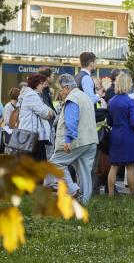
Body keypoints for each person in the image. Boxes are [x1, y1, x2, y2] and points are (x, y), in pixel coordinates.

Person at [48, 74, 98, 204]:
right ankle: (85, 203)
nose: (61, 92)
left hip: (77, 141)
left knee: (55, 164)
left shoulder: (72, 98)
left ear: (66, 87)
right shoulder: (85, 97)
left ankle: (73, 192)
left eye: (61, 89)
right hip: (91, 139)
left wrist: (67, 140)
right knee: (85, 172)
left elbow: (71, 121)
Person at [107, 72, 134, 196]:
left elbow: (109, 121)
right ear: (127, 84)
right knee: (130, 166)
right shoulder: (130, 101)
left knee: (114, 165)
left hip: (115, 134)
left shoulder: (111, 101)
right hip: (128, 135)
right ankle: (132, 195)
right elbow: (133, 122)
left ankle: (110, 194)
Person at [18, 74, 54, 162]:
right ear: (35, 84)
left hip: (31, 136)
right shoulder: (32, 95)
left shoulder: (31, 94)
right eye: (41, 83)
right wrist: (49, 112)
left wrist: (48, 111)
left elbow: (48, 109)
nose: (43, 86)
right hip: (33, 137)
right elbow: (45, 113)